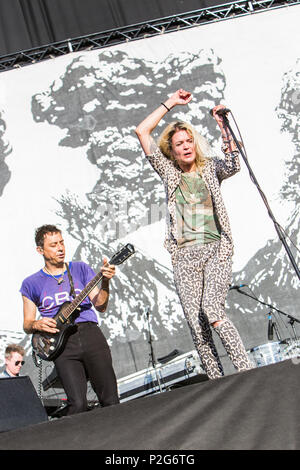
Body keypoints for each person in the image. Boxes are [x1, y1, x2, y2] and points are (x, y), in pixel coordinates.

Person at [135, 89, 253, 379]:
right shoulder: (170, 173)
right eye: (179, 144)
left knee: (212, 309)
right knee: (197, 326)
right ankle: (218, 381)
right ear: (171, 150)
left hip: (216, 249)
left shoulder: (210, 168)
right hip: (185, 257)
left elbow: (235, 163)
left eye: (189, 141)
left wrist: (223, 125)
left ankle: (246, 373)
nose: (186, 147)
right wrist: (171, 103)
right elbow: (142, 130)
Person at [20, 224, 119, 414]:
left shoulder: (80, 268)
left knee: (110, 398)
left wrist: (105, 281)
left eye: (62, 243)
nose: (60, 248)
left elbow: (101, 305)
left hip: (90, 334)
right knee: (78, 404)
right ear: (40, 250)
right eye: (54, 245)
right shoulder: (31, 283)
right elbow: (27, 323)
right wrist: (36, 323)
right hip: (62, 345)